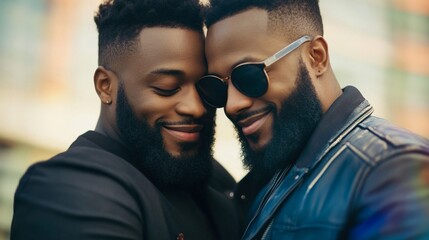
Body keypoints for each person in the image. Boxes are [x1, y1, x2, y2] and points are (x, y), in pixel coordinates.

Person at [196, 0, 429, 239]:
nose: (232, 105)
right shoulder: (276, 171)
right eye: (218, 88)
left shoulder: (393, 167)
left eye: (248, 75)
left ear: (317, 57)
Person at [10, 0, 240, 239]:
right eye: (167, 87)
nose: (197, 108)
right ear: (105, 86)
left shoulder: (214, 179)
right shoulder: (69, 188)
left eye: (205, 86)